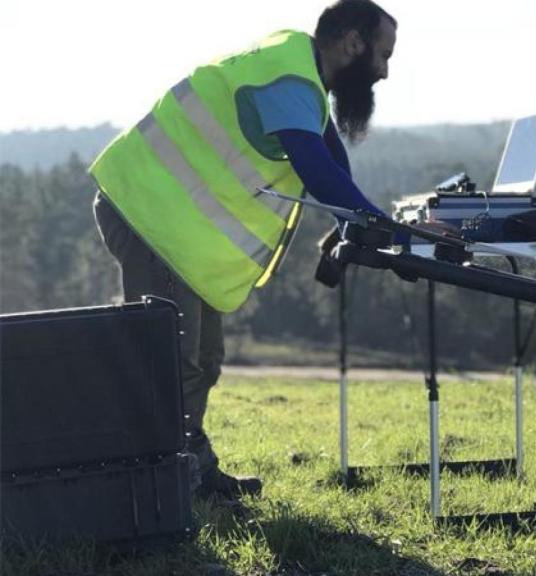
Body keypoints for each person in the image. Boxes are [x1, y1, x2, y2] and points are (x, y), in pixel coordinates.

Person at [89, 0, 397, 500]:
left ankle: (191, 470)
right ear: (353, 43)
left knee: (205, 358)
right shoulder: (290, 80)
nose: (384, 71)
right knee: (172, 359)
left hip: (175, 225)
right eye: (383, 55)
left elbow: (334, 165)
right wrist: (381, 227)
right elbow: (317, 170)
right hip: (149, 214)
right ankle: (157, 489)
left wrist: (363, 224)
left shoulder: (299, 70)